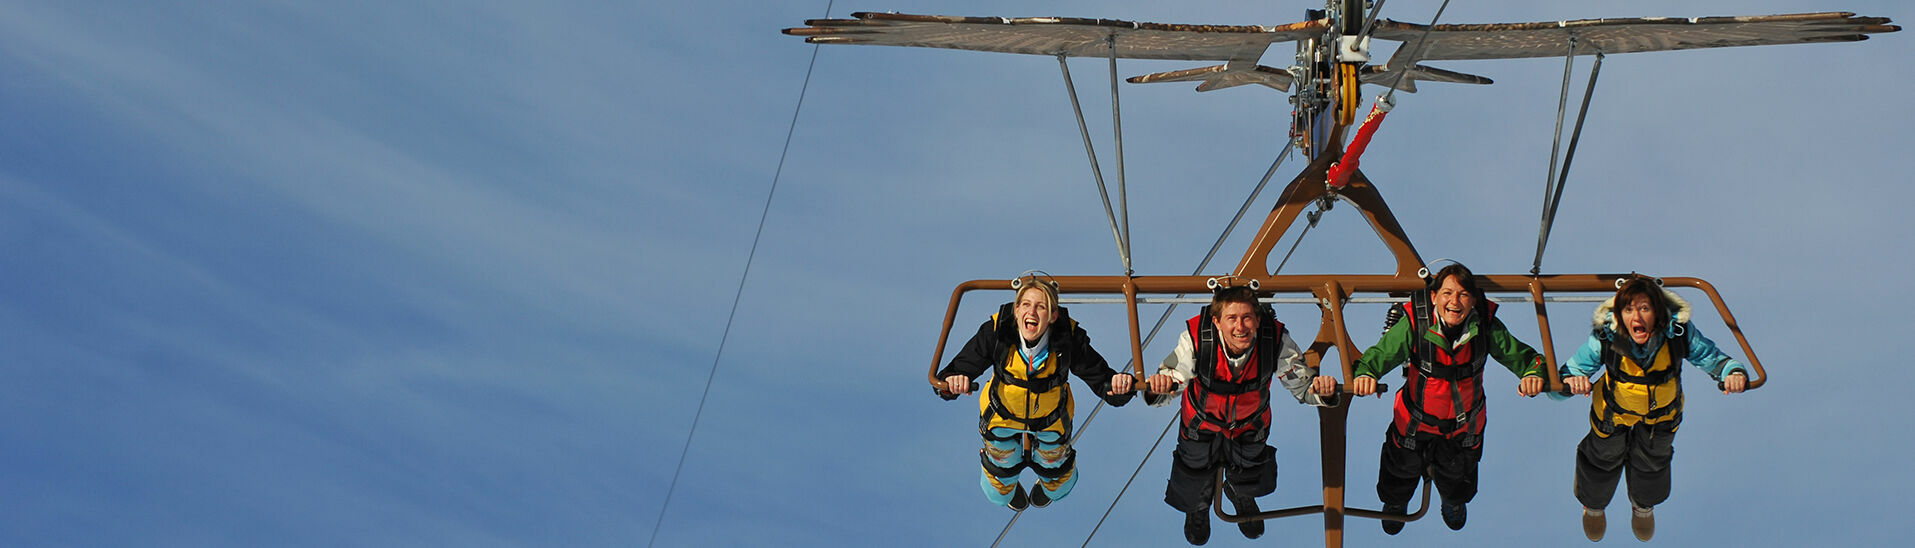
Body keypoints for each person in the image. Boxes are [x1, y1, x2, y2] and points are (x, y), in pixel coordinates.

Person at [1349, 263, 1546, 534]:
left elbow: (1524, 357)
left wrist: (1533, 373)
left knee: (1458, 474)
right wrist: (1366, 373)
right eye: (1447, 293)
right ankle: (1396, 503)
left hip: (1463, 424)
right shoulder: (1417, 324)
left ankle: (1453, 499)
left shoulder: (1484, 327)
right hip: (1415, 420)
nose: (1454, 302)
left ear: (1473, 300)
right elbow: (1382, 354)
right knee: (1400, 467)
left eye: (1463, 295)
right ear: (1434, 297)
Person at [1555, 276, 1747, 542]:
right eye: (1629, 310)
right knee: (1602, 456)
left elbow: (1711, 358)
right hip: (1615, 409)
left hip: (1662, 412)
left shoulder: (1677, 334)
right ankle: (1595, 505)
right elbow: (1569, 373)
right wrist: (1570, 382)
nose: (1638, 317)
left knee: (1653, 458)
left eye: (1645, 308)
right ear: (1620, 315)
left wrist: (1731, 372)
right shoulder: (1606, 337)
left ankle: (1643, 505)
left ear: (1657, 312)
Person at [1144, 285, 1338, 545]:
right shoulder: (1198, 339)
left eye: (1247, 317)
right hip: (1202, 421)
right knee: (1193, 466)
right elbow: (1175, 376)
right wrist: (1160, 388)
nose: (1240, 327)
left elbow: (1302, 386)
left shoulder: (1274, 341)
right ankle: (1198, 507)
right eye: (1232, 319)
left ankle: (1240, 492)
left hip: (1249, 422)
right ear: (1217, 322)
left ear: (1258, 319)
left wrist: (1322, 393)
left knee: (1252, 463)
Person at [937, 278, 1135, 510]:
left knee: (1056, 469)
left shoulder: (1066, 338)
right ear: (1017, 310)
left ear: (1052, 316)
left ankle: (1051, 485)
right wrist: (953, 382)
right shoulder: (997, 333)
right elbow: (953, 373)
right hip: (1002, 413)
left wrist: (1118, 387)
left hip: (1050, 418)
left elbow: (1101, 379)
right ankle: (1006, 487)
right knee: (1000, 473)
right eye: (1026, 305)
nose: (1032, 312)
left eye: (1041, 307)